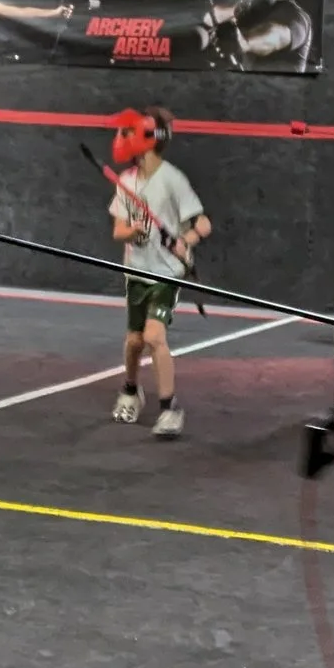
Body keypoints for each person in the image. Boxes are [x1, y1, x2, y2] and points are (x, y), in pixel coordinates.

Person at [108, 105, 210, 438]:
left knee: (154, 336)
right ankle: (130, 389)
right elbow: (118, 231)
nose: (124, 137)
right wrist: (133, 230)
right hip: (137, 271)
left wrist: (187, 239)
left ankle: (170, 408)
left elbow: (203, 222)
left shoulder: (172, 180)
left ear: (152, 139)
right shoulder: (125, 182)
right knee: (135, 340)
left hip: (166, 273)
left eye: (133, 131)